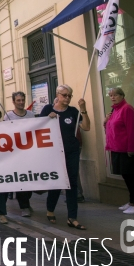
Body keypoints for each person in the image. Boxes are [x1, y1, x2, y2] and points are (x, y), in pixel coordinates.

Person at [41, 84, 90, 230]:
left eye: (70, 95)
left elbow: (86, 127)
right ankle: (50, 209)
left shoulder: (73, 111)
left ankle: (72, 217)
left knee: (72, 183)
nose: (67, 98)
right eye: (64, 95)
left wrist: (84, 110)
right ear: (57, 94)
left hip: (71, 151)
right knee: (56, 182)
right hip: (54, 152)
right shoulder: (47, 109)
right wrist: (47, 119)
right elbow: (37, 129)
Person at [104, 87, 134, 214]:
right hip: (117, 149)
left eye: (115, 95)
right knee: (126, 177)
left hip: (127, 149)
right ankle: (132, 202)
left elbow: (132, 130)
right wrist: (105, 121)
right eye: (110, 95)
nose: (113, 97)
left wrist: (131, 148)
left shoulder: (127, 109)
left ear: (122, 95)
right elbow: (112, 129)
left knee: (131, 177)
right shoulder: (114, 110)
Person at [4, 92, 36, 217]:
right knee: (21, 180)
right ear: (13, 102)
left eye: (23, 100)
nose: (21, 102)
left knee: (30, 180)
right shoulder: (8, 116)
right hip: (16, 155)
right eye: (18, 100)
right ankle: (24, 206)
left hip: (30, 153)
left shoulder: (31, 115)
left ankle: (26, 201)